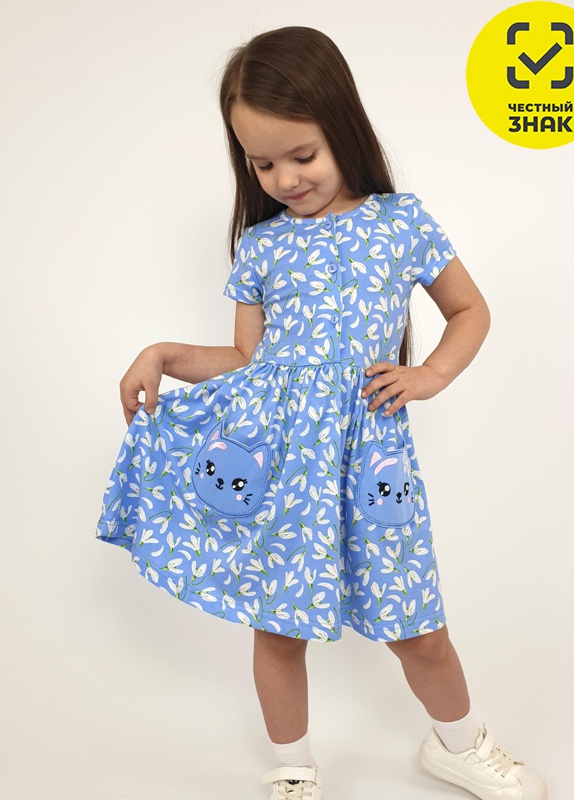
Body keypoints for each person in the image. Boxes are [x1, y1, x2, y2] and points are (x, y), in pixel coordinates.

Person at [96, 25, 547, 800]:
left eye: (300, 155)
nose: (284, 178)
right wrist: (165, 353)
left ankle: (460, 746)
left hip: (371, 466)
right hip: (282, 471)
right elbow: (249, 361)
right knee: (278, 630)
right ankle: (292, 771)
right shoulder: (262, 246)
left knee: (418, 628)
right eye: (262, 163)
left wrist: (430, 373)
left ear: (342, 126)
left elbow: (468, 309)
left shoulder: (400, 222)